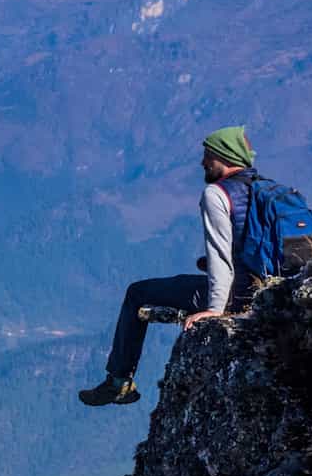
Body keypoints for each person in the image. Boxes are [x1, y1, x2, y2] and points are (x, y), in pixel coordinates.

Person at [79, 125, 259, 407]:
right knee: (182, 279)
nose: (203, 163)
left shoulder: (217, 194)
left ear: (224, 157)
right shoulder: (263, 190)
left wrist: (215, 310)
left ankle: (119, 382)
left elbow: (221, 256)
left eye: (208, 156)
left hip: (234, 292)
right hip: (265, 288)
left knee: (137, 293)